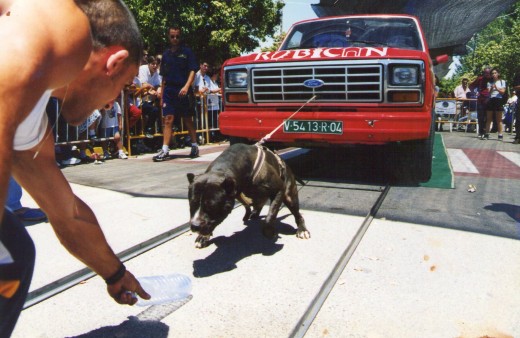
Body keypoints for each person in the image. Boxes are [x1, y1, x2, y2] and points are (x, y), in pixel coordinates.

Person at [0, 1, 149, 336]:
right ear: (114, 62)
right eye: (122, 88)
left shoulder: (29, 108)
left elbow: (67, 213)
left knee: (14, 253)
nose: (112, 104)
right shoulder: (65, 23)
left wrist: (114, 273)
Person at [154, 26, 200, 161]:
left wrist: (186, 86)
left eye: (177, 36)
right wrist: (162, 96)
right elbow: (163, 77)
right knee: (168, 119)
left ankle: (194, 145)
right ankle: (165, 150)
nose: (175, 39)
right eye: (172, 36)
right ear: (168, 37)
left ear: (180, 37)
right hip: (169, 91)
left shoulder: (187, 52)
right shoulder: (166, 54)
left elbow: (193, 70)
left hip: (183, 90)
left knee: (187, 119)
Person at [138, 55, 162, 138]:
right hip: (140, 99)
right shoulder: (143, 69)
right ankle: (147, 129)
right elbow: (144, 84)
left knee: (161, 107)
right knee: (153, 110)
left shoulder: (157, 72)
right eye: (153, 64)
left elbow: (158, 85)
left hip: (151, 99)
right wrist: (151, 88)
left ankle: (155, 130)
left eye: (156, 64)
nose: (155, 66)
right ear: (148, 64)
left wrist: (158, 90)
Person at [483, 67, 507, 140]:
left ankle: (500, 134)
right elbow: (488, 93)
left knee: (498, 119)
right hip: (491, 100)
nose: (494, 75)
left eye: (495, 73)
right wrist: (491, 89)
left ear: (498, 74)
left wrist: (496, 88)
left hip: (499, 100)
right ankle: (487, 134)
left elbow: (503, 92)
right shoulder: (489, 83)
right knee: (489, 118)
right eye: (492, 73)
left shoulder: (502, 81)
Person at [469, 67, 492, 139]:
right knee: (481, 117)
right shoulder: (480, 79)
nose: (487, 74)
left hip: (490, 100)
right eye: (485, 73)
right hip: (481, 100)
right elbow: (471, 86)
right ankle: (481, 132)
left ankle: (486, 132)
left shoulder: (493, 79)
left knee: (488, 117)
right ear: (483, 73)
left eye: (488, 73)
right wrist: (475, 93)